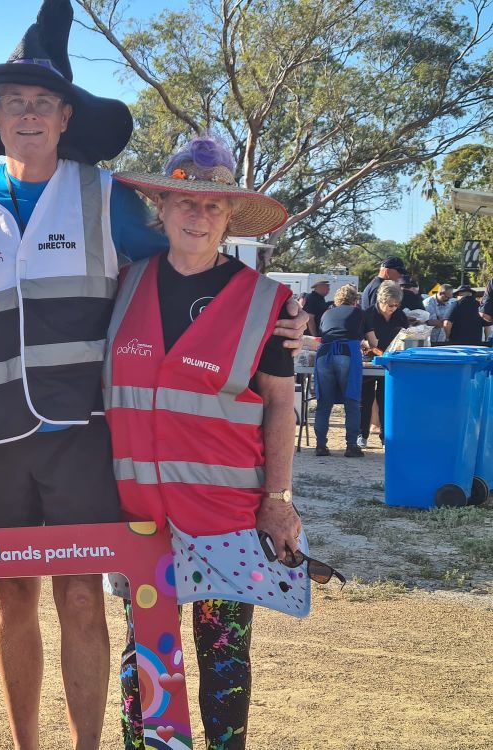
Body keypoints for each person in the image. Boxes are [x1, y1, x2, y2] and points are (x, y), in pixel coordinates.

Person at [0, 2, 309, 747]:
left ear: (66, 116)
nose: (28, 115)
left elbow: (195, 250)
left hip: (84, 442)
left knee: (81, 598)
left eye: (43, 103)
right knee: (10, 600)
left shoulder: (110, 201)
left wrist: (281, 320)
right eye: (15, 103)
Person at [103, 136, 303, 750]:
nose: (198, 215)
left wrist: (279, 496)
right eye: (185, 201)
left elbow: (278, 406)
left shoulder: (270, 304)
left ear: (228, 220)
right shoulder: (121, 285)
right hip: (140, 519)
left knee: (222, 664)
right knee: (147, 660)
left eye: (214, 207)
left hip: (227, 520)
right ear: (161, 208)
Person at [313, 284, 364, 457]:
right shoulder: (357, 312)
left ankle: (320, 445)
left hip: (324, 354)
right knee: (351, 401)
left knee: (324, 403)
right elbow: (370, 339)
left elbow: (324, 333)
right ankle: (351, 446)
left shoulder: (327, 313)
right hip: (347, 353)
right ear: (354, 300)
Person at [359, 280, 409, 448]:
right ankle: (362, 434)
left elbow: (405, 336)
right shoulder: (366, 314)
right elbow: (360, 339)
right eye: (390, 305)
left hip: (390, 362)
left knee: (386, 398)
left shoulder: (400, 315)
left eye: (396, 305)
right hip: (368, 361)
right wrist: (367, 346)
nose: (393, 308)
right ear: (380, 300)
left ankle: (385, 437)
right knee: (365, 398)